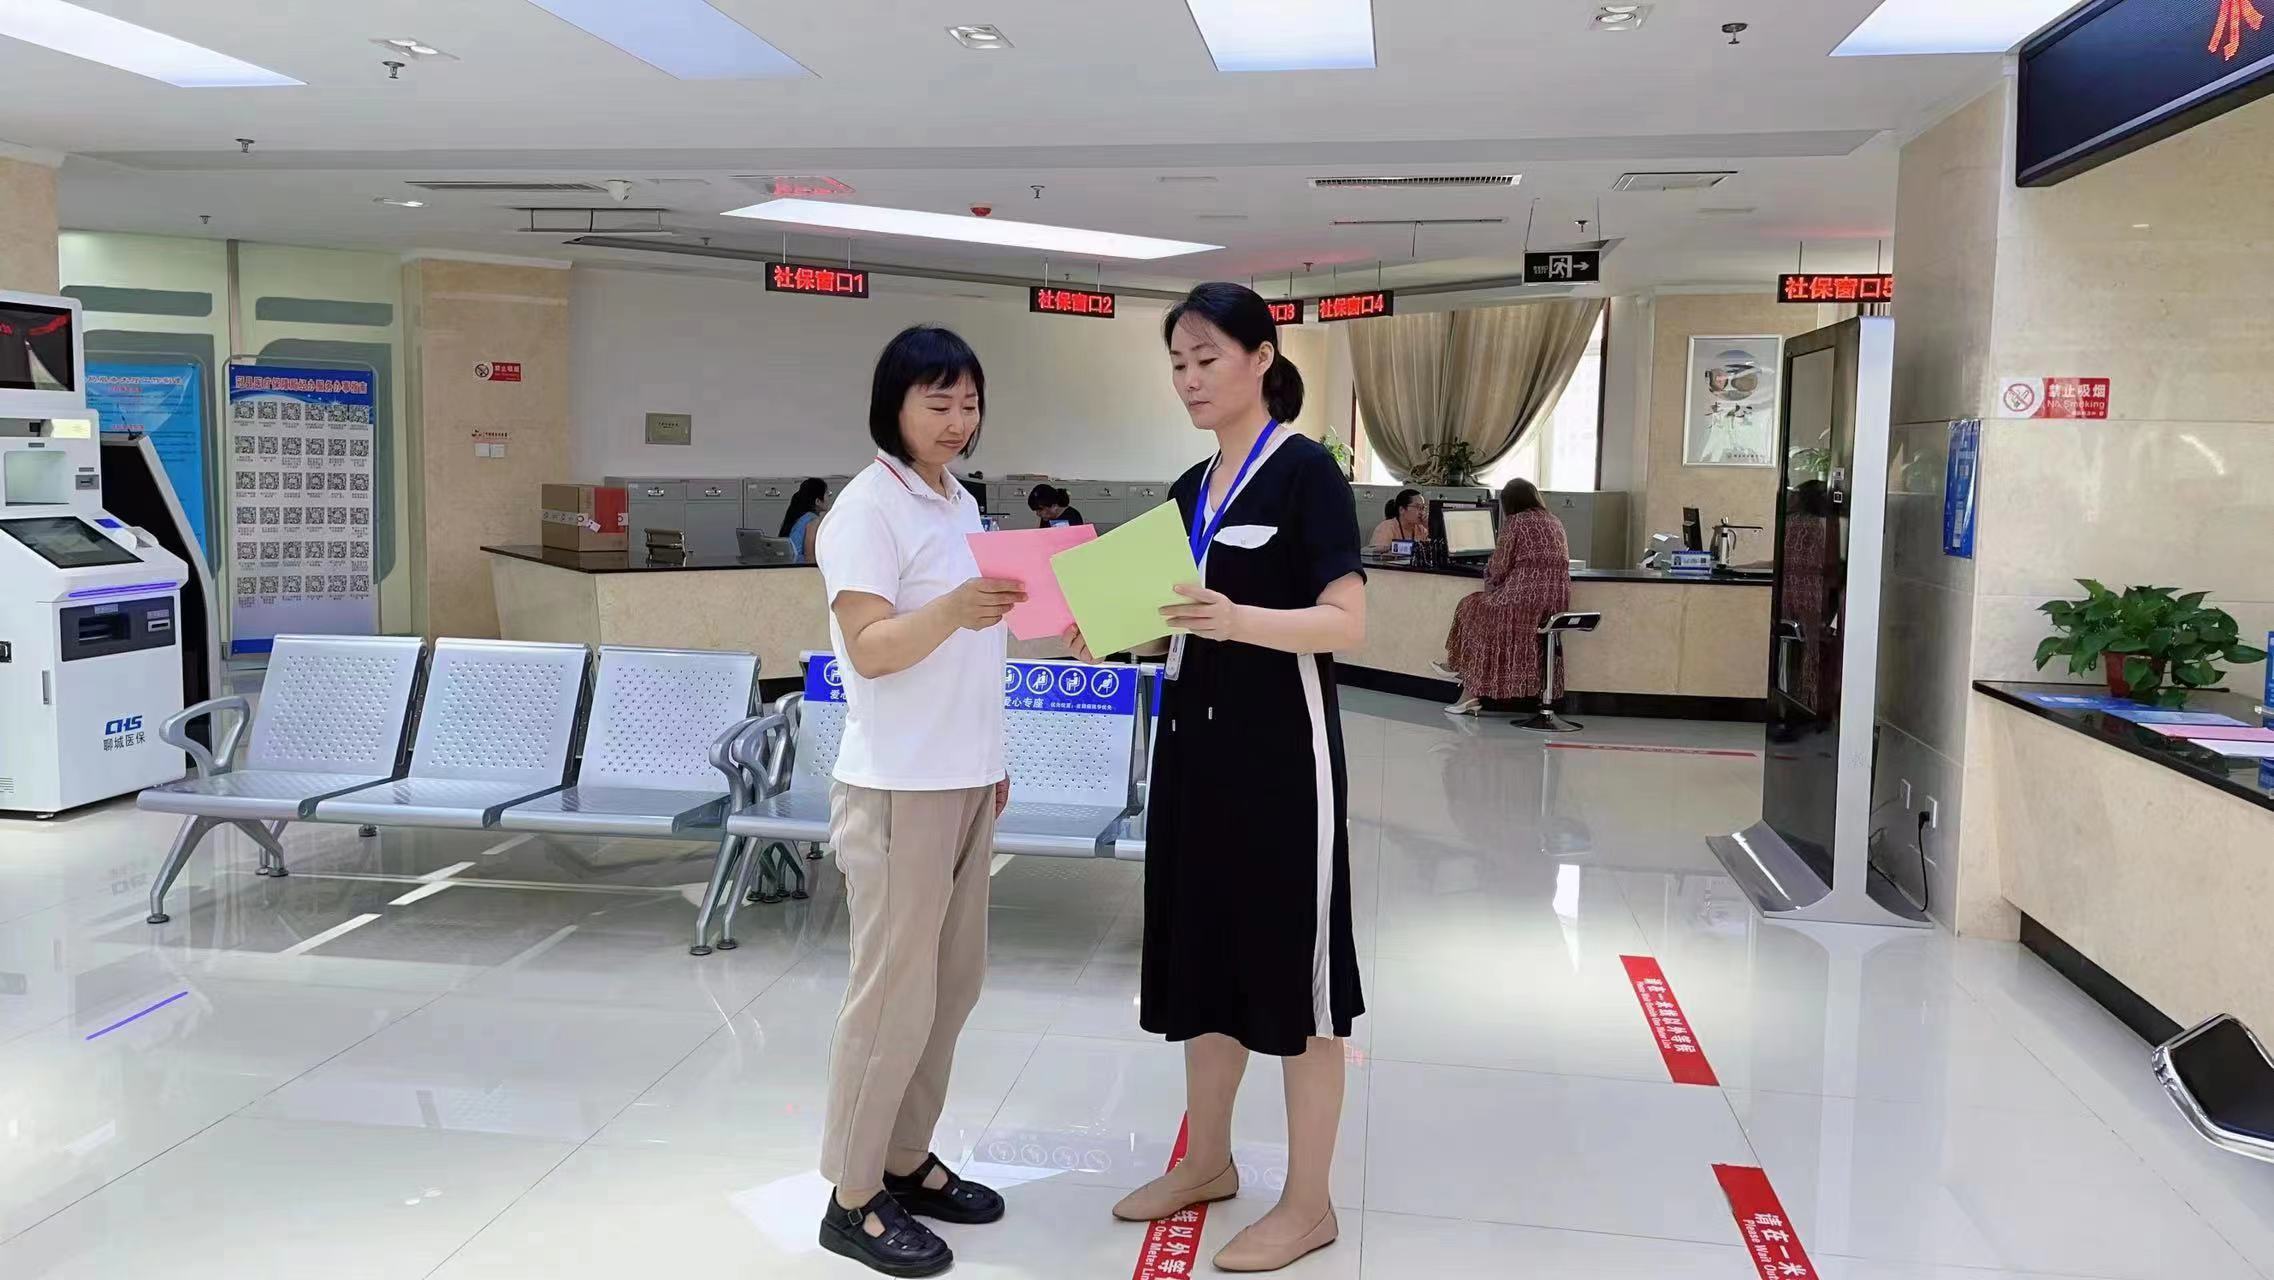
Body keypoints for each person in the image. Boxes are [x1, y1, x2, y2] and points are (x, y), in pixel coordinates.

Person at [1065, 282, 1365, 1274]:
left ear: (1262, 358)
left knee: (1299, 980)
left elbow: (1347, 621)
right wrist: (1112, 630)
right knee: (1205, 957)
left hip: (1284, 760)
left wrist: (1238, 620)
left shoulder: (1307, 474)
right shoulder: (1191, 486)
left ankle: (1310, 1203)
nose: (1190, 380)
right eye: (1178, 365)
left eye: (1207, 359)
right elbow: (1173, 620)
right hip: (1195, 754)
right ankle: (1207, 1161)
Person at [812, 325, 1027, 1278]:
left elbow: (980, 648)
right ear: (892, 406)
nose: (957, 420)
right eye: (937, 402)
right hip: (899, 784)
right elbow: (870, 648)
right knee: (893, 996)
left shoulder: (958, 502)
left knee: (952, 982)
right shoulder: (866, 510)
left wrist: (991, 757)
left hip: (965, 776)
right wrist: (951, 609)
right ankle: (853, 1195)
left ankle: (904, 1157)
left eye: (969, 403)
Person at [1435, 478, 1571, 716]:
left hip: (1523, 600)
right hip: (1556, 602)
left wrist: (1490, 579)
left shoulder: (1516, 522)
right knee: (1482, 610)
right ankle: (1462, 672)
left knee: (1471, 605)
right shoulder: (1555, 520)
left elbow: (1498, 568)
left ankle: (1463, 675)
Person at [780, 477, 831, 562]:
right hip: (800, 568)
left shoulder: (799, 517)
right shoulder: (813, 520)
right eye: (827, 494)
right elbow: (810, 559)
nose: (829, 497)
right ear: (818, 501)